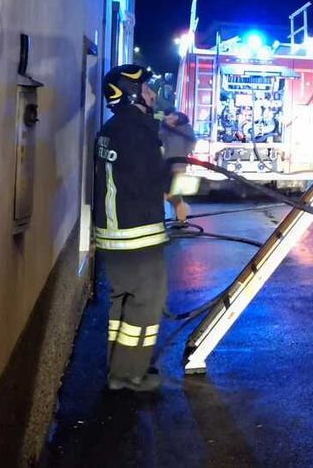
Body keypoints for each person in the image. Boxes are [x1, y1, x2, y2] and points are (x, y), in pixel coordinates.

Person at [94, 64, 172, 392]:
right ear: (131, 94)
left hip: (114, 234)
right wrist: (184, 184)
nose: (152, 94)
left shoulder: (113, 128)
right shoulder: (137, 132)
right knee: (146, 302)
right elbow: (153, 181)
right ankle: (130, 375)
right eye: (146, 89)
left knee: (122, 302)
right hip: (136, 234)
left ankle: (118, 366)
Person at [160, 109, 196, 222]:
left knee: (170, 192)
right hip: (167, 163)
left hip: (179, 164)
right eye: (166, 118)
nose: (167, 120)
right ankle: (181, 216)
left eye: (170, 117)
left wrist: (183, 154)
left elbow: (192, 142)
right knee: (170, 192)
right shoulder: (164, 129)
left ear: (176, 117)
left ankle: (181, 216)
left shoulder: (185, 128)